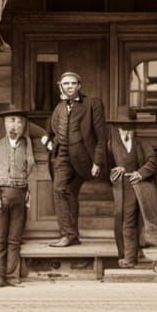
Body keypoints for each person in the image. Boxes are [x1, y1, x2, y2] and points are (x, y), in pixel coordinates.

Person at [41, 71, 108, 247]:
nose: (69, 86)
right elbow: (51, 130)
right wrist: (48, 141)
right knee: (60, 190)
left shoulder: (92, 104)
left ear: (79, 85)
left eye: (73, 83)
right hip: (62, 156)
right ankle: (70, 234)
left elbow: (102, 137)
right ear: (60, 86)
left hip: (84, 158)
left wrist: (97, 162)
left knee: (67, 192)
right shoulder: (59, 108)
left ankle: (70, 235)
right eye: (66, 84)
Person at [107, 107, 157, 269]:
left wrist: (141, 173)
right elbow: (105, 166)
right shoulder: (111, 145)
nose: (126, 131)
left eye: (129, 128)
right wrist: (116, 169)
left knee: (146, 217)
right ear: (117, 128)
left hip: (142, 185)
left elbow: (153, 161)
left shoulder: (143, 143)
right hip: (124, 188)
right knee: (127, 220)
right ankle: (129, 257)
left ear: (135, 129)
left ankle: (149, 249)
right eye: (123, 127)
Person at [0, 107, 36, 287]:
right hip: (2, 196)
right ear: (5, 124)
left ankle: (12, 277)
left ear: (23, 126)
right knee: (0, 240)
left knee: (14, 239)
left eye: (19, 122)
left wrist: (26, 191)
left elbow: (30, 167)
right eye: (11, 121)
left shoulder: (27, 144)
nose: (15, 125)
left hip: (20, 195)